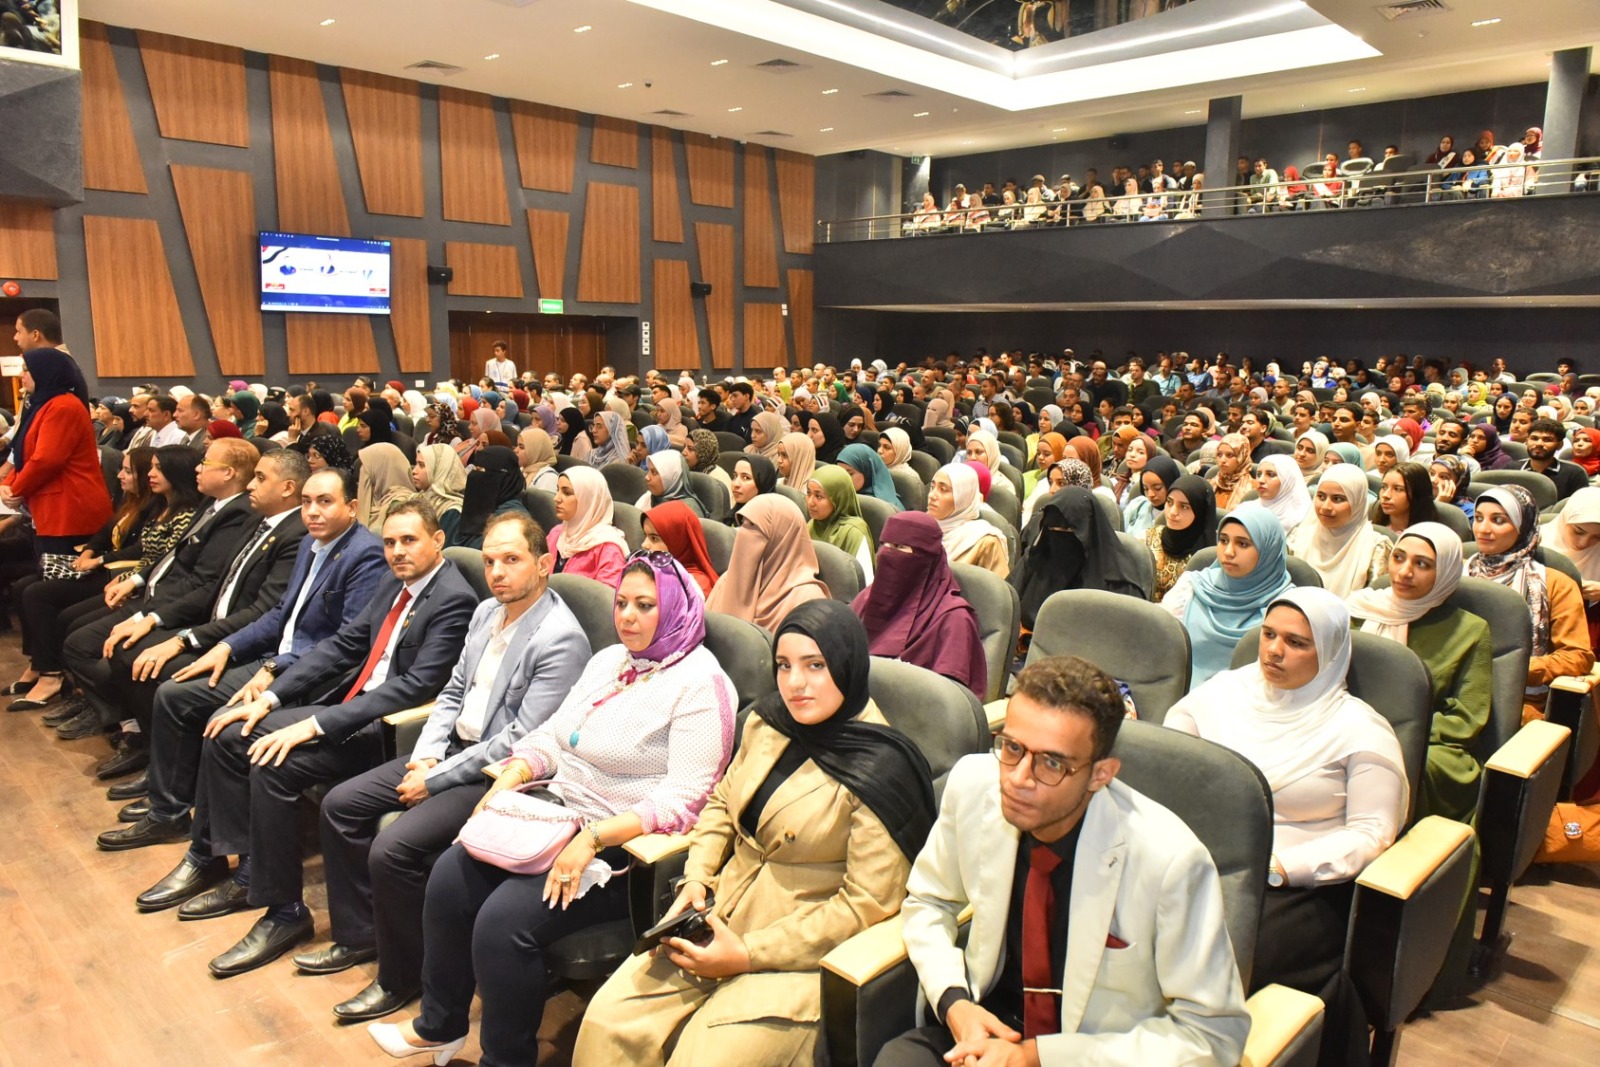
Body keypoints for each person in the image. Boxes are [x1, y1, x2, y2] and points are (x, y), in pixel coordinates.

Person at [372, 553, 736, 1065]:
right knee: (449, 880)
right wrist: (512, 777)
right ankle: (440, 1025)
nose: (627, 617)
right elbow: (552, 736)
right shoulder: (610, 661)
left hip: (621, 849)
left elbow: (688, 799)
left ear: (676, 609)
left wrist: (594, 838)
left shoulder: (700, 683)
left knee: (502, 924)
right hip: (553, 815)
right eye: (622, 603)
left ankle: (505, 1059)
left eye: (645, 605)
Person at [573, 600, 935, 1066]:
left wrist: (747, 953)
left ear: (846, 665)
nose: (795, 683)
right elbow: (721, 805)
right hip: (718, 914)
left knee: (701, 1060)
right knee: (606, 1020)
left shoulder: (881, 767)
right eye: (784, 665)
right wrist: (697, 878)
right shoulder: (770, 722)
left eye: (815, 665)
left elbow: (864, 905)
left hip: (800, 955)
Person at [135, 499, 479, 978]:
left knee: (264, 756)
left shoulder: (454, 599)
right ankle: (230, 866)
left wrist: (316, 724)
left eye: (409, 540)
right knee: (231, 727)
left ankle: (278, 907)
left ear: (437, 540)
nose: (398, 551)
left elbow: (414, 687)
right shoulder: (393, 583)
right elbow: (343, 645)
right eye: (390, 542)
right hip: (347, 709)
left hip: (387, 731)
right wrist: (271, 698)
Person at [876, 654, 1250, 1067]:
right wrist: (955, 1004)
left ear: (1100, 775)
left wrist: (1036, 1056)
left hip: (1091, 1053)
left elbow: (1212, 1036)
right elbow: (928, 902)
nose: (1018, 778)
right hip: (988, 1028)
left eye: (1051, 763)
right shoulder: (973, 786)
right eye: (1012, 748)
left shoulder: (1170, 862)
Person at [303, 512, 591, 1023]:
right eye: (489, 561)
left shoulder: (559, 638)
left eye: (511, 560)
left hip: (496, 777)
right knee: (339, 805)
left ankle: (402, 976)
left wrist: (435, 779)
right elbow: (453, 692)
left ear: (544, 564)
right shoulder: (485, 613)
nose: (497, 572)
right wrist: (426, 755)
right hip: (448, 753)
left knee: (392, 849)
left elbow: (521, 738)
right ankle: (360, 935)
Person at [1166, 587, 1406, 1066]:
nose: (1274, 650)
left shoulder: (1359, 730)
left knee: (1226, 956)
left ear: (1330, 652)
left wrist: (1282, 867)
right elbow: (1174, 761)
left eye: (1296, 643)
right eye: (1269, 634)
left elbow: (1371, 832)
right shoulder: (1224, 693)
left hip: (1300, 885)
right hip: (1206, 859)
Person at [99, 467, 388, 851]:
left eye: (325, 502)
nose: (312, 511)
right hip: (275, 658)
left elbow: (344, 644)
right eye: (306, 502)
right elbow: (280, 612)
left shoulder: (366, 554)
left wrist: (274, 669)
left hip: (310, 675)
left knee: (219, 719)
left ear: (351, 507)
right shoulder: (311, 543)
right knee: (173, 694)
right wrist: (228, 646)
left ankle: (212, 847)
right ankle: (168, 810)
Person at [69, 450, 311, 777]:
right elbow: (214, 583)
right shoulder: (261, 520)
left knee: (147, 668)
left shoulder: (293, 532)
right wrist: (155, 620)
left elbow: (262, 611)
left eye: (260, 478)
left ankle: (164, 766)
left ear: (287, 488)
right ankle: (149, 748)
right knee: (125, 650)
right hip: (211, 622)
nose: (251, 485)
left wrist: (185, 638)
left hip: (242, 640)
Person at [47, 440, 261, 742]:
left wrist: (149, 616)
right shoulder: (211, 502)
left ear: (228, 473)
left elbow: (203, 582)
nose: (198, 468)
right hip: (154, 591)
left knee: (97, 648)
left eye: (206, 463)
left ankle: (128, 725)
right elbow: (170, 555)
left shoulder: (238, 513)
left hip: (171, 603)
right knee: (74, 632)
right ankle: (112, 713)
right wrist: (135, 580)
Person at [9, 446, 197, 714]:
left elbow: (156, 559)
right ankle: (47, 670)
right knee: (29, 590)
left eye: (130, 471)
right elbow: (108, 533)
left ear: (176, 473)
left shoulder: (182, 513)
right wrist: (90, 553)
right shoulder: (152, 504)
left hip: (134, 580)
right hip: (129, 577)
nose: (120, 475)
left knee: (53, 608)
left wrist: (110, 568)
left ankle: (73, 688)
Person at [1346, 523, 1491, 822]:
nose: (1404, 572)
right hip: (1348, 726)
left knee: (1395, 771)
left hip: (1427, 742)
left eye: (1422, 564)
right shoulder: (1358, 610)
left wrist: (1397, 733)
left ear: (1446, 572)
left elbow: (1466, 719)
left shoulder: (1470, 630)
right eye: (1398, 558)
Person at [1468, 487, 1594, 723]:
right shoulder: (1458, 573)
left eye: (1498, 520)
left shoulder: (1556, 584)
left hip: (1518, 701)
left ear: (1522, 526)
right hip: (1454, 691)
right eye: (1478, 518)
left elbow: (1577, 656)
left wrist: (1513, 669)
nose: (1483, 529)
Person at [851, 512, 987, 696]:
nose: (887, 553)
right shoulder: (867, 597)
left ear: (926, 557)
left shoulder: (954, 620)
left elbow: (949, 699)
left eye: (899, 547)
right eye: (884, 544)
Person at [0, 348, 113, 563]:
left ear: (45, 372)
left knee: (60, 577)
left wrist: (15, 490)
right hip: (52, 507)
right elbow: (26, 454)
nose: (22, 375)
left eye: (27, 370)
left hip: (69, 509)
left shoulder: (63, 406)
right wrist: (7, 484)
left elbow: (47, 459)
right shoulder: (43, 405)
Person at [1164, 503, 1295, 685]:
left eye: (1243, 544)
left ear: (1268, 550)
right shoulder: (1192, 587)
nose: (1228, 552)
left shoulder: (1289, 607)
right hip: (1177, 692)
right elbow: (1160, 650)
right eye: (1224, 540)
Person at [1015, 487, 1143, 632]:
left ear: (1089, 530)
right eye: (1052, 529)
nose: (1059, 538)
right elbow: (1008, 608)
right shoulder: (1035, 560)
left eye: (1069, 531)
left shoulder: (1118, 584)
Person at [706, 496, 830, 631]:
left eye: (753, 526)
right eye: (743, 524)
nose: (744, 533)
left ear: (781, 537)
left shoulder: (807, 601)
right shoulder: (727, 580)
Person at [1287, 463, 1389, 598]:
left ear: (1357, 502)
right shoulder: (1297, 538)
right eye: (1321, 496)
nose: (1326, 507)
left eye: (1337, 499)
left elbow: (1373, 603)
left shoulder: (1376, 549)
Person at [547, 467, 629, 586]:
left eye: (567, 493)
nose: (556, 498)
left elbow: (606, 595)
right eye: (557, 490)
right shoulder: (556, 533)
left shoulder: (608, 549)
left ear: (588, 499)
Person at [1144, 475, 1216, 603]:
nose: (1173, 512)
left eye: (1184, 506)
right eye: (1169, 502)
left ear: (1200, 511)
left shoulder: (1209, 557)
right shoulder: (1148, 538)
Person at [930, 463, 1009, 578]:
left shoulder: (986, 542)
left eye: (943, 489)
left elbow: (996, 587)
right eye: (932, 487)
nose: (932, 495)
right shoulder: (921, 526)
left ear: (963, 497)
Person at [807, 465, 876, 582]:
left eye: (819, 496)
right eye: (808, 493)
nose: (810, 502)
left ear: (837, 499)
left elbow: (865, 582)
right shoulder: (812, 525)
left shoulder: (854, 532)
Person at [454, 446, 529, 551]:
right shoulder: (479, 506)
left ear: (504, 477)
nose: (473, 475)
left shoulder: (513, 522)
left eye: (481, 470)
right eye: (475, 468)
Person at [644, 500, 718, 596]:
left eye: (654, 538)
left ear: (678, 541)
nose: (644, 545)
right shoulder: (652, 571)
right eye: (645, 535)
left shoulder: (694, 586)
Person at [411, 444, 467, 546]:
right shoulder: (414, 499)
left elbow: (442, 550)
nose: (414, 471)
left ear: (439, 470)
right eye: (416, 464)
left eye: (422, 465)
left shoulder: (452, 511)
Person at [357, 443, 416, 534]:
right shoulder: (376, 500)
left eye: (367, 471)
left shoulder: (402, 505)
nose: (363, 477)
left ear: (379, 470)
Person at [1253, 453, 1312, 535]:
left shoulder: (1304, 520)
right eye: (1259, 474)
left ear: (1287, 481)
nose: (1261, 480)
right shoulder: (1247, 509)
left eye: (1271, 475)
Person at [1374, 462, 1439, 535]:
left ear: (1417, 493)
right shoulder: (1371, 528)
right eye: (1384, 487)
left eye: (1398, 489)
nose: (1386, 495)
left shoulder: (1426, 537)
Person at [1122, 455, 1179, 537]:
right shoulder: (1137, 506)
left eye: (1157, 488)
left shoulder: (1178, 514)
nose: (1150, 495)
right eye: (1146, 488)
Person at [838, 442, 903, 510]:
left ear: (867, 472)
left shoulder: (885, 508)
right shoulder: (841, 496)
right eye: (840, 473)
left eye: (850, 474)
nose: (843, 479)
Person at [644, 450, 705, 517]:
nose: (647, 477)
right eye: (648, 470)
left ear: (672, 477)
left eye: (654, 472)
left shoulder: (689, 511)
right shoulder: (649, 497)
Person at [1210, 433, 1252, 511]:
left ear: (1242, 457)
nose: (1222, 460)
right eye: (1219, 454)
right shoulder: (1209, 485)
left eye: (1230, 455)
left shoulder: (1253, 489)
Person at [516, 426, 560, 494]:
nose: (516, 450)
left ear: (536, 450)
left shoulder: (549, 478)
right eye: (517, 445)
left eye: (521, 447)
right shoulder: (523, 470)